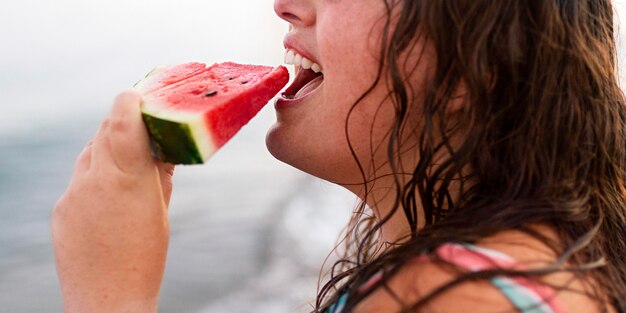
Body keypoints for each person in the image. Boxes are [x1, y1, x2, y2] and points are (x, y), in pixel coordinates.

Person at [51, 0, 626, 312]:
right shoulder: (552, 250)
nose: (285, 6)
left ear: (475, 69)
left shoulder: (450, 298)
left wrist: (110, 291)